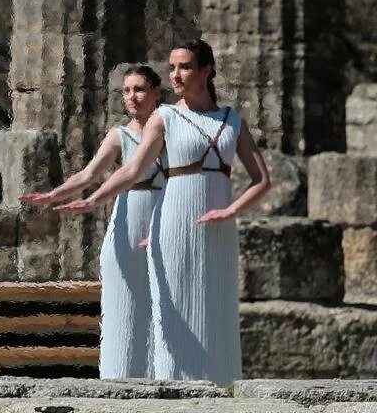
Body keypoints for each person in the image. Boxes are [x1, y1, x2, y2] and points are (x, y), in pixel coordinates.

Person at [56, 41, 271, 385]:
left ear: (206, 71)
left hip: (218, 230)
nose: (176, 75)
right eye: (171, 68)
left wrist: (231, 211)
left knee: (217, 311)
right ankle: (172, 400)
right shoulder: (165, 117)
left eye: (184, 67)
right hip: (172, 225)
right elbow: (131, 170)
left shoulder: (232, 120)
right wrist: (94, 199)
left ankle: (221, 399)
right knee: (172, 320)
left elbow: (262, 181)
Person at [21, 65, 165, 378]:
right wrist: (53, 195)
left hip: (164, 218)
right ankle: (120, 377)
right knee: (126, 305)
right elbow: (88, 174)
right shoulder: (120, 136)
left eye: (139, 89)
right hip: (129, 222)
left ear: (156, 92)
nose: (132, 97)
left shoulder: (171, 129)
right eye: (126, 91)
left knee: (164, 305)